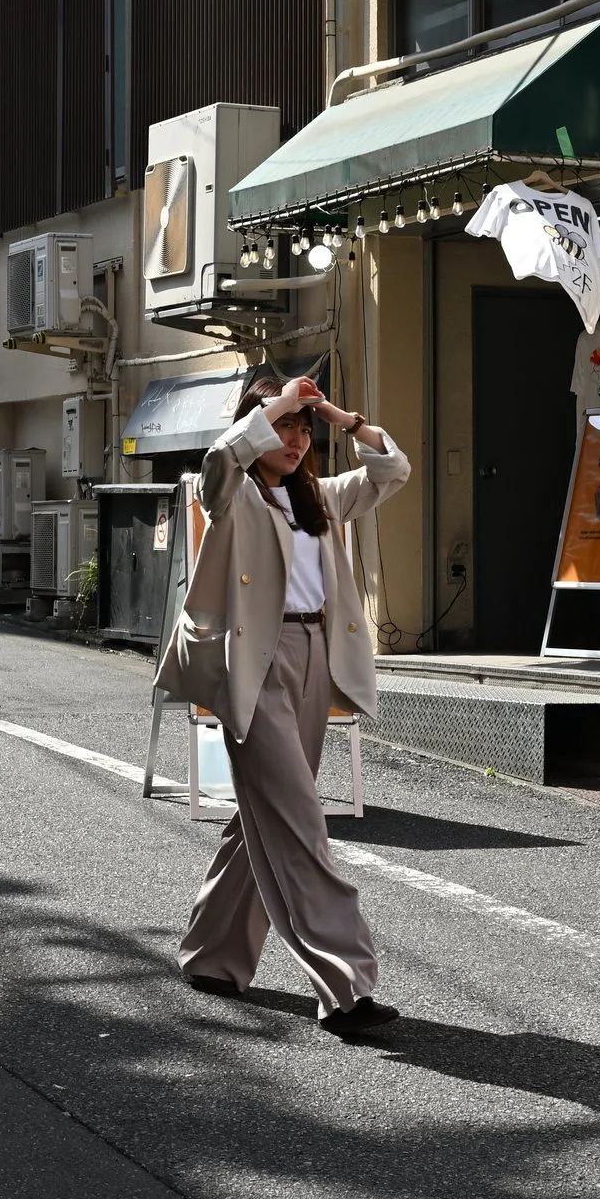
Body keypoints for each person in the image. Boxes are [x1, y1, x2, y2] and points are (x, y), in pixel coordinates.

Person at [159, 366, 410, 1034]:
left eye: (304, 428)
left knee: (260, 820)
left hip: (311, 659)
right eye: (283, 425)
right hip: (256, 663)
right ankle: (345, 984)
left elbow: (392, 471)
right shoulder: (235, 493)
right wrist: (282, 403)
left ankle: (212, 954)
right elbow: (218, 460)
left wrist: (343, 419)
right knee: (299, 821)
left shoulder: (317, 499)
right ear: (256, 423)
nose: (296, 438)